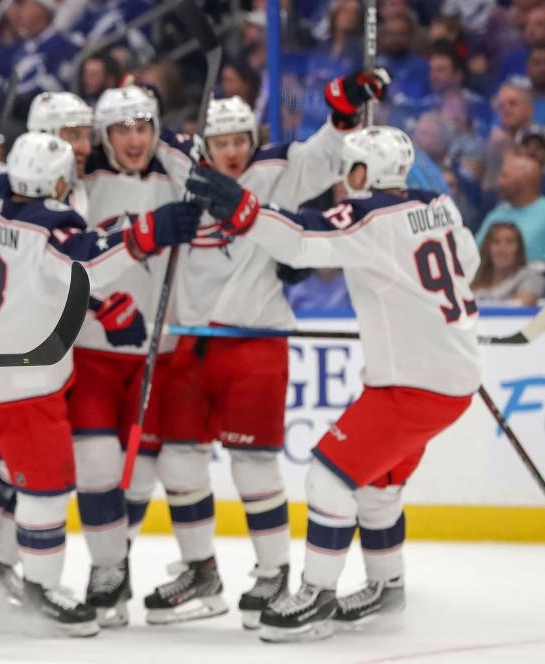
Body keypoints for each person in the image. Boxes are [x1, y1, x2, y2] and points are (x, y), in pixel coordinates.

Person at [0, 86, 199, 635]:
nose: (78, 149)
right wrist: (150, 232)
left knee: (0, 465)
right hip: (31, 377)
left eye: (83, 134)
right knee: (47, 486)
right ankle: (43, 586)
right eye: (67, 138)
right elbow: (86, 259)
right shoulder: (54, 226)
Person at [186, 125, 480, 642]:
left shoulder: (368, 218)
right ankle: (387, 590)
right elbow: (468, 264)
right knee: (377, 483)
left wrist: (243, 211)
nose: (345, 178)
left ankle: (316, 596)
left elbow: (300, 242)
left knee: (328, 477)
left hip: (412, 383)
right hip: (450, 372)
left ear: (364, 172)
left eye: (351, 168)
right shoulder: (440, 204)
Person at [155, 69, 389, 628]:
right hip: (188, 340)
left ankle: (273, 572)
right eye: (222, 143)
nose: (233, 152)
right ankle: (200, 569)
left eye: (241, 141)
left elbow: (326, 154)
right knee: (176, 458)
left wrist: (343, 110)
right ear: (204, 145)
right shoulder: (180, 167)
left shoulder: (273, 170)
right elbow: (137, 144)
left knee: (254, 466)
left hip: (254, 339)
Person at [68, 83, 198, 628]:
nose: (135, 138)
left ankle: (114, 565)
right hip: (95, 350)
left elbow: (217, 180)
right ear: (104, 135)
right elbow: (70, 253)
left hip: (159, 352)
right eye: (122, 128)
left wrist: (176, 144)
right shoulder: (83, 182)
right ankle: (106, 572)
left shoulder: (177, 177)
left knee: (140, 477)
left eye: (145, 126)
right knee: (97, 466)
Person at [470, 222, 545, 305]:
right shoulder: (472, 278)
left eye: (510, 242)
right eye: (496, 242)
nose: (502, 249)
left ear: (519, 248)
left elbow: (520, 307)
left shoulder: (532, 277)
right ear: (487, 248)